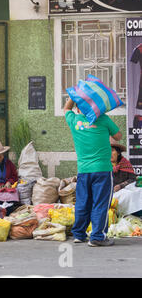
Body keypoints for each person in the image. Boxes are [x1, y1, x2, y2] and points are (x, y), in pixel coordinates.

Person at [64, 98, 122, 247]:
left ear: (78, 109)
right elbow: (118, 136)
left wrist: (73, 96)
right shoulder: (102, 118)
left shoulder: (75, 120)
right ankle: (97, 237)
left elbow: (66, 109)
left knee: (83, 202)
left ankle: (79, 235)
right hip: (102, 170)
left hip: (83, 171)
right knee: (100, 203)